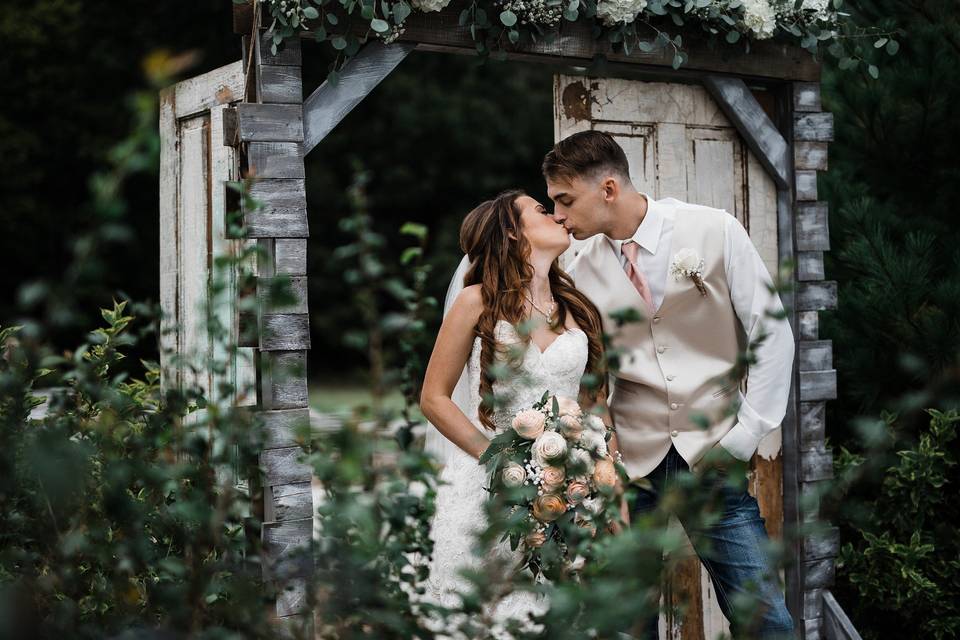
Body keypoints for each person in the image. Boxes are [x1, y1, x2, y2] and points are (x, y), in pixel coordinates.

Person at [544, 129, 797, 639]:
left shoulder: (714, 230)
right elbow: (590, 377)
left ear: (608, 189)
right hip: (631, 469)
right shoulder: (577, 269)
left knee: (766, 620)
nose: (558, 216)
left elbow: (774, 336)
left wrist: (745, 436)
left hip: (713, 455)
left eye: (565, 200)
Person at [418, 188, 626, 637]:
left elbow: (596, 406)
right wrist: (503, 459)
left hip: (569, 491)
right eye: (540, 209)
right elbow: (434, 397)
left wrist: (613, 493)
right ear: (512, 231)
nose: (556, 215)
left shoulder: (579, 309)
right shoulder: (476, 302)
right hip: (487, 489)